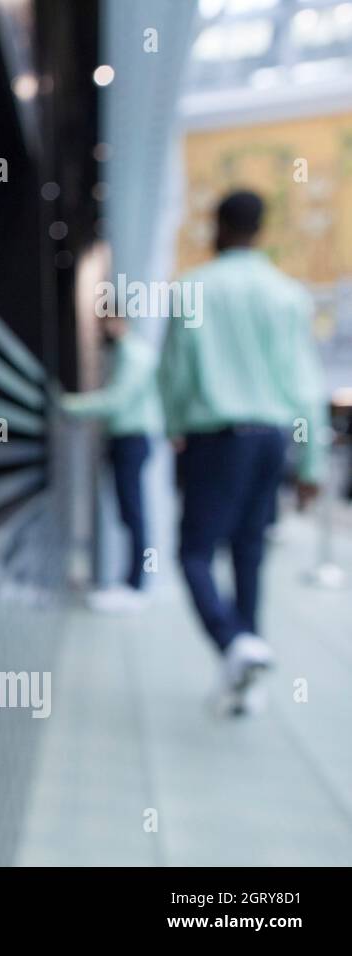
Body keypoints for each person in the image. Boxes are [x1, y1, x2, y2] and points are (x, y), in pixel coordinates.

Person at [159, 190, 327, 716]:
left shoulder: (193, 289)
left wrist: (173, 424)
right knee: (249, 552)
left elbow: (174, 375)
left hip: (216, 440)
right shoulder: (286, 295)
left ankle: (233, 641)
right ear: (261, 228)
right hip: (272, 439)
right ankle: (245, 681)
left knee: (194, 552)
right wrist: (311, 461)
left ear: (219, 226)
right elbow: (304, 385)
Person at [61, 314, 162, 613]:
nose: (102, 330)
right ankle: (131, 581)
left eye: (107, 322)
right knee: (129, 512)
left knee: (134, 512)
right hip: (125, 440)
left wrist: (71, 405)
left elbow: (117, 400)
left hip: (132, 439)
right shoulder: (123, 354)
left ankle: (136, 584)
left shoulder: (133, 354)